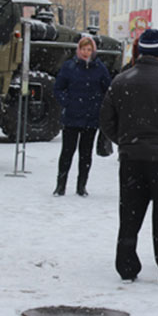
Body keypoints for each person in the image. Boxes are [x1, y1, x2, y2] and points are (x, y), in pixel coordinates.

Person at [99, 29, 158, 286]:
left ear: (140, 51)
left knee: (130, 212)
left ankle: (126, 264)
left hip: (131, 157)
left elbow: (106, 120)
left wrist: (125, 141)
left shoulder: (121, 81)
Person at [53, 36, 111, 197]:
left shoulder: (100, 68)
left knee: (86, 154)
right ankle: (60, 185)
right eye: (83, 49)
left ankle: (81, 186)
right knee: (67, 152)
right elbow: (58, 88)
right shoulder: (69, 67)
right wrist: (67, 102)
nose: (86, 53)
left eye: (89, 50)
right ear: (79, 50)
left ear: (93, 51)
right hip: (72, 117)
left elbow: (108, 89)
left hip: (90, 118)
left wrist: (100, 106)